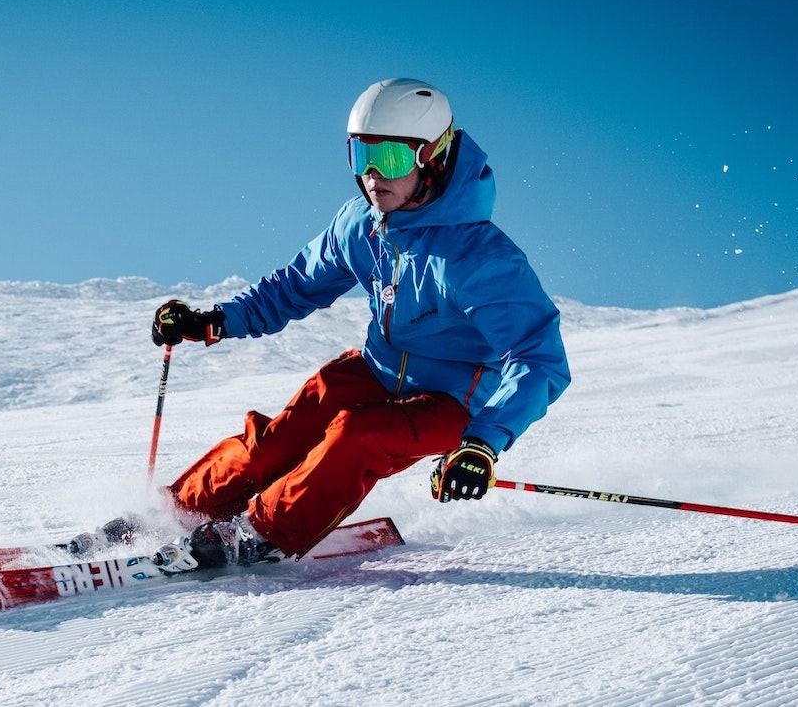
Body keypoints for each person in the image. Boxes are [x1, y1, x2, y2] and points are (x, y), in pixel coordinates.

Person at [149, 78, 571, 571]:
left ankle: (260, 534)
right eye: (361, 155)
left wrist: (483, 443)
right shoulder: (360, 224)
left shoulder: (478, 257)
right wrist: (214, 320)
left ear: (432, 157)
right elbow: (294, 286)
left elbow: (538, 359)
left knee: (358, 434)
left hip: (452, 401)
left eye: (389, 157)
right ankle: (174, 513)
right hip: (375, 369)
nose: (372, 175)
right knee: (277, 443)